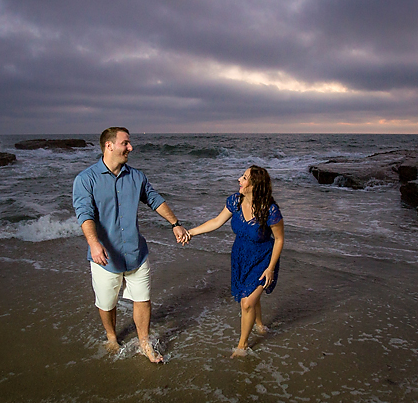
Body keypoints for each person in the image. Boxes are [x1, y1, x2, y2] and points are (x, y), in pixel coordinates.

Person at [72, 127, 189, 363]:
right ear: (109, 146)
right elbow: (84, 214)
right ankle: (112, 336)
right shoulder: (86, 179)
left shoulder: (137, 176)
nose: (130, 148)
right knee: (107, 303)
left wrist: (175, 223)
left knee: (143, 299)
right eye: (125, 143)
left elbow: (154, 199)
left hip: (136, 252)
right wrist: (94, 244)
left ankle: (145, 344)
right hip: (105, 257)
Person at [184, 165, 284, 357]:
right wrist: (191, 232)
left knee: (246, 303)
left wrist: (271, 268)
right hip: (240, 258)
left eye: (244, 178)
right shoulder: (235, 202)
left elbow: (279, 239)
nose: (239, 179)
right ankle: (260, 323)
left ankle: (242, 346)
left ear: (255, 185)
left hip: (263, 259)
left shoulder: (270, 210)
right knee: (250, 295)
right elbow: (216, 221)